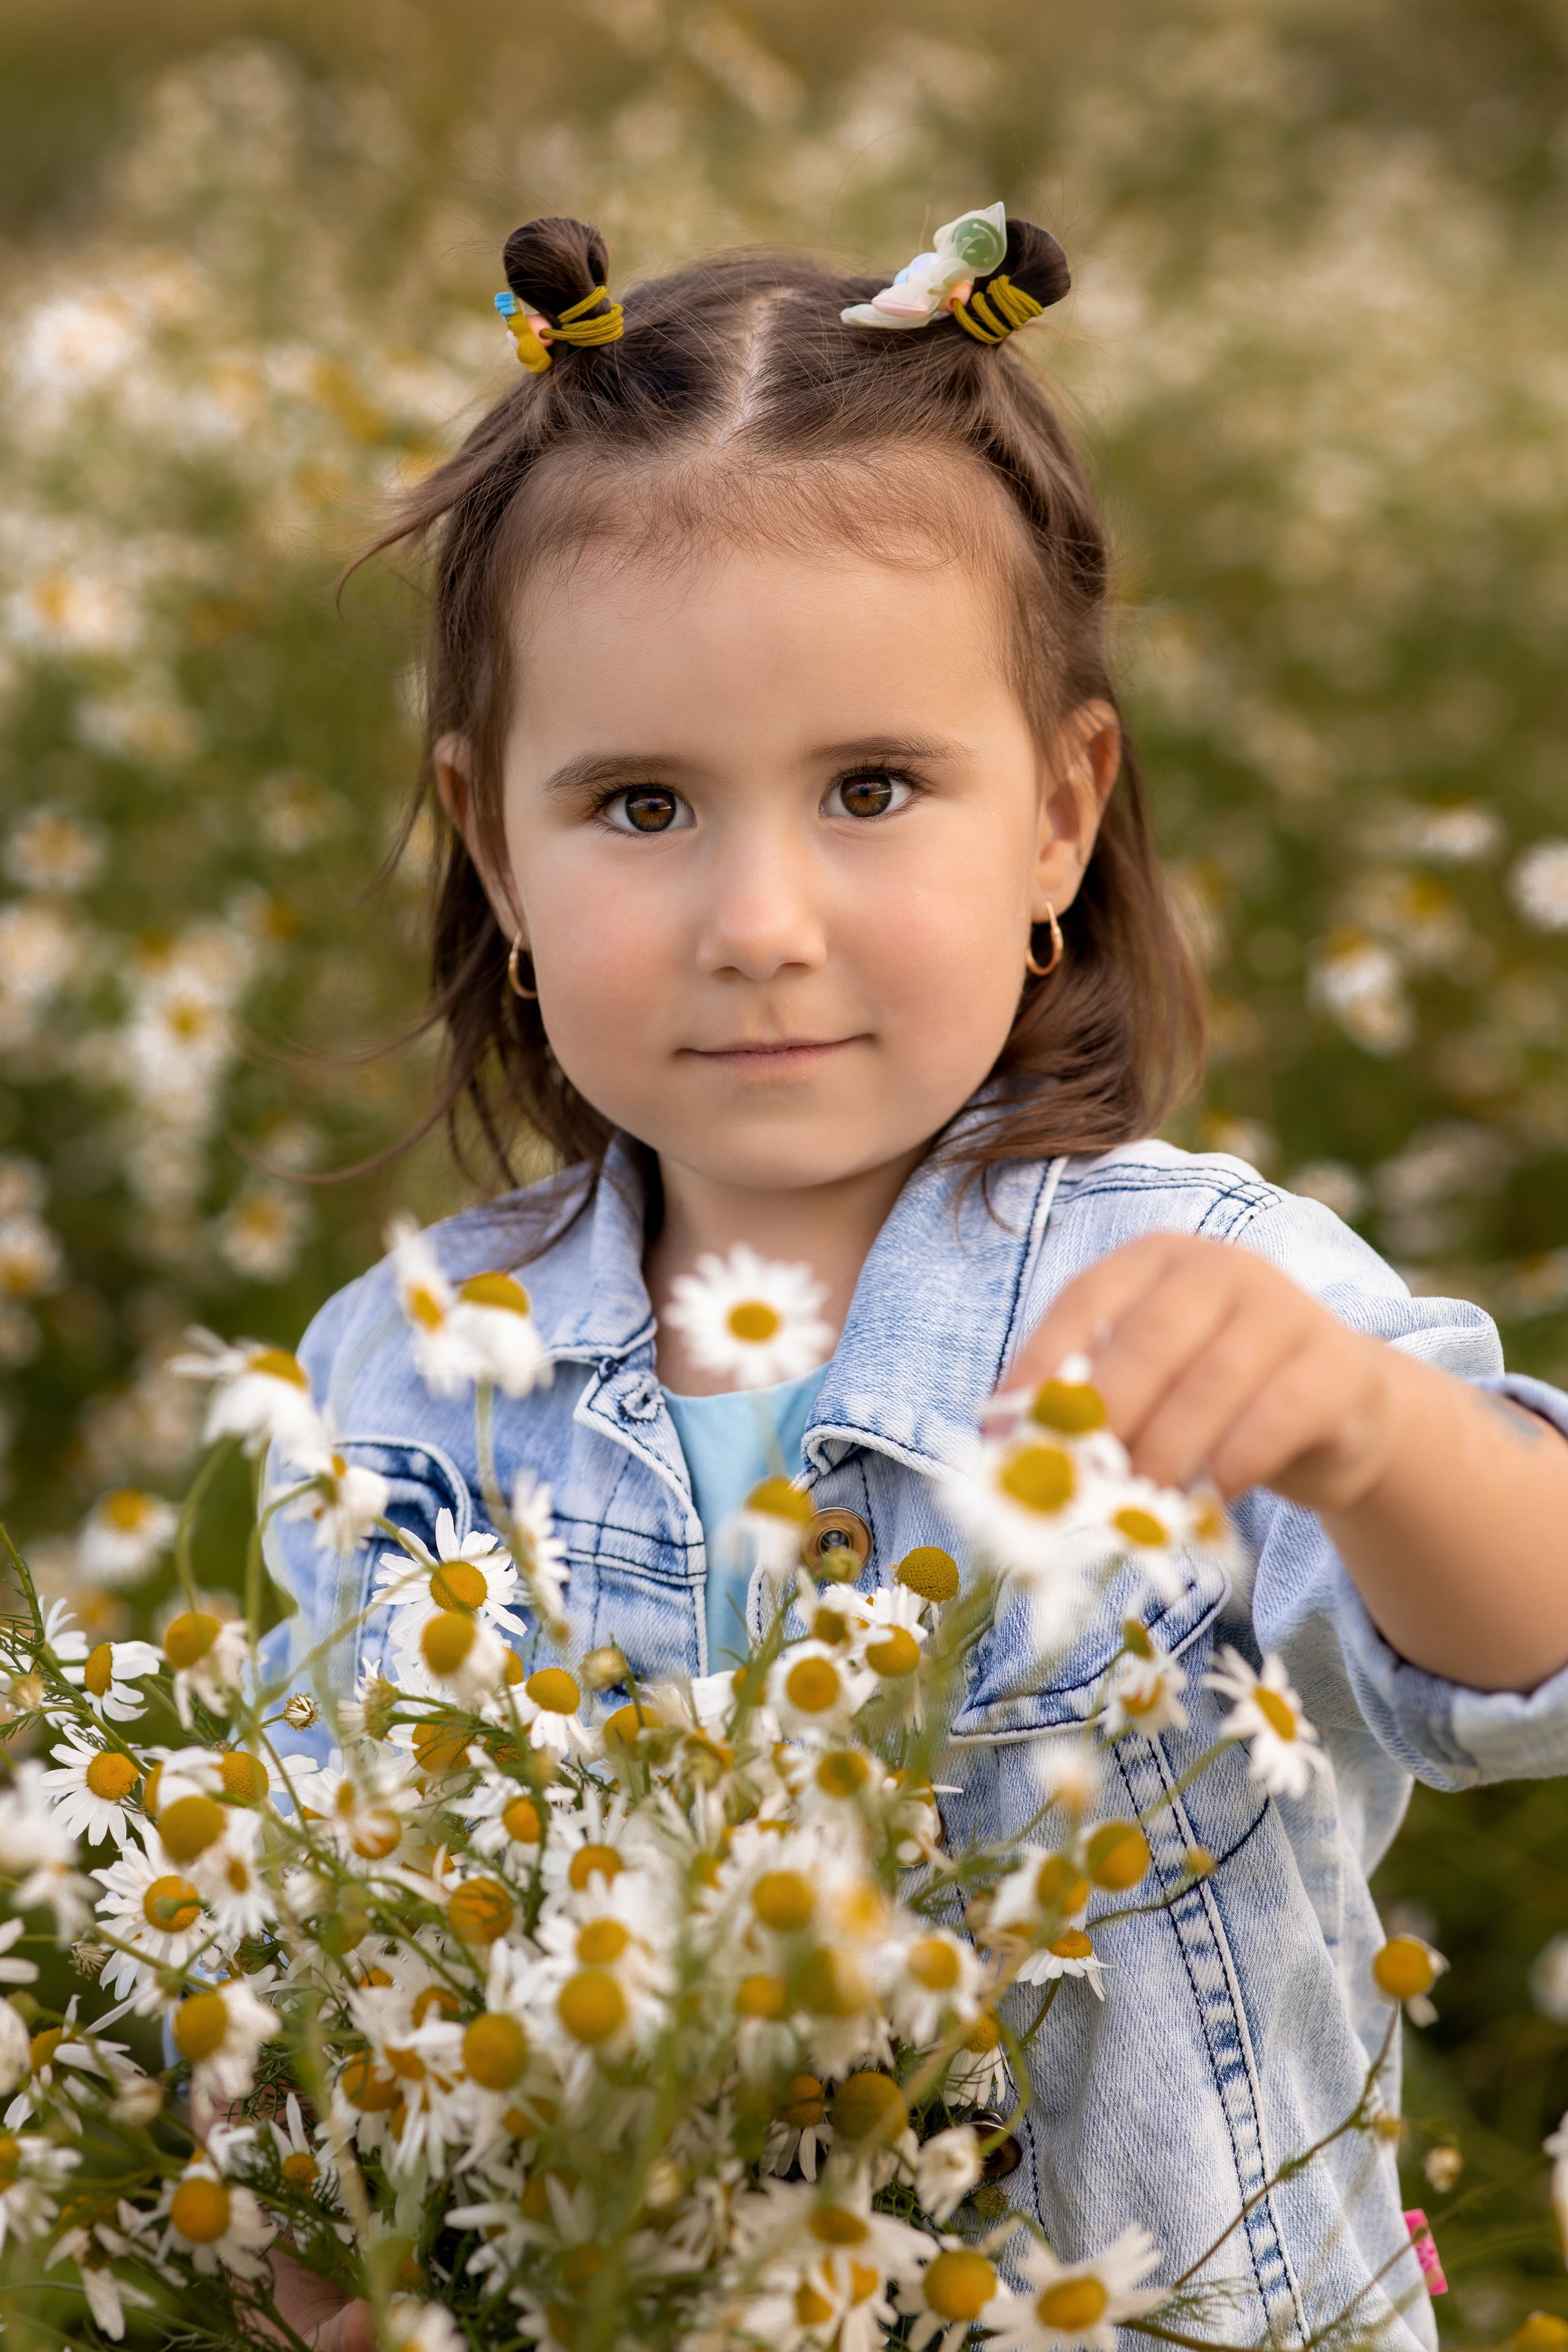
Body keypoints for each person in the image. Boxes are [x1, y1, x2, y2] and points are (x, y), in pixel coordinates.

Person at [259, 209, 1568, 2352]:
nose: (760, 923)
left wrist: (1376, 1434)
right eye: (643, 806)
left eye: (872, 789)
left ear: (1058, 816)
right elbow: (322, 1955)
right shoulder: (403, 1376)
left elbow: (1533, 1662)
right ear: (495, 848)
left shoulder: (1205, 1293)